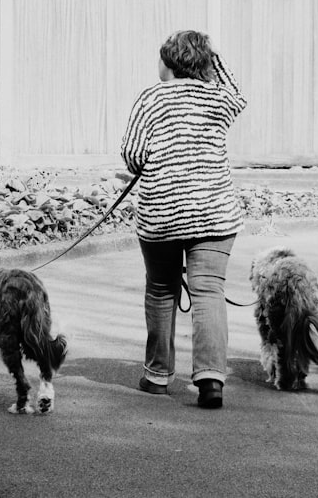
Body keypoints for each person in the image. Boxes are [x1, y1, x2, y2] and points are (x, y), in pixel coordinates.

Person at [121, 30, 247, 409]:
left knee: (161, 289)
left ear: (167, 63)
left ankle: (158, 376)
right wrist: (213, 61)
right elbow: (238, 95)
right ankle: (210, 380)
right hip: (214, 212)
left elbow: (132, 154)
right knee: (208, 290)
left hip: (161, 213)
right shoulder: (218, 98)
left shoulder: (150, 99)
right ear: (206, 65)